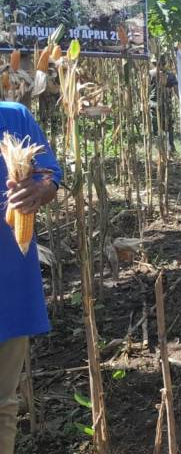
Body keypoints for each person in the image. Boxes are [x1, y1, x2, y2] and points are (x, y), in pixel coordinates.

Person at [0, 102, 61, 454]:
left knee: (2, 403)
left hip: (8, 285)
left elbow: (51, 176)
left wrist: (41, 189)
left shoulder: (14, 117)